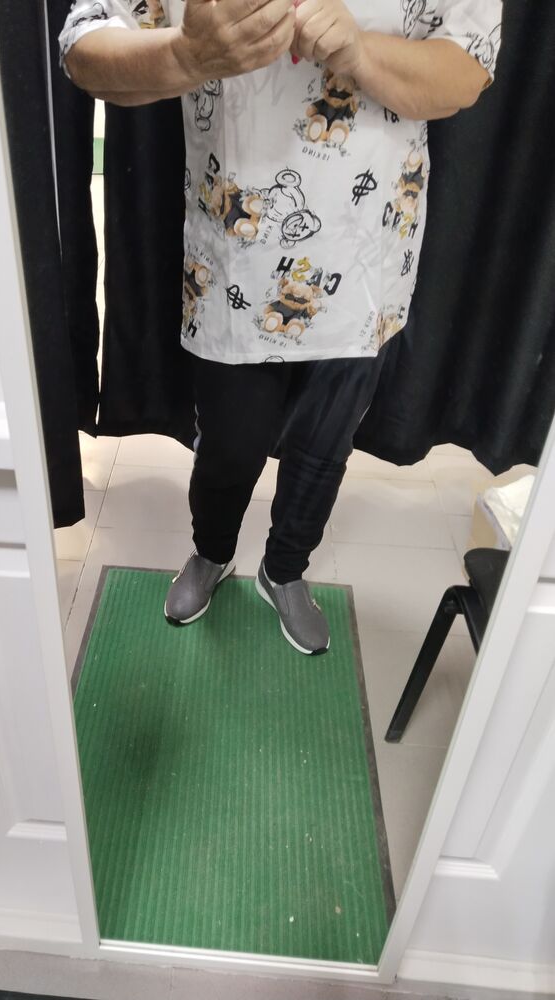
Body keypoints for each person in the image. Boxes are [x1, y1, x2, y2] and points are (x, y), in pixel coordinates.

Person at [59, 0, 502, 654]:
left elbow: (468, 68)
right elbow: (82, 46)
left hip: (366, 263)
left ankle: (284, 569)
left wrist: (358, 49)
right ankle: (212, 552)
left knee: (325, 445)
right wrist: (187, 54)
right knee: (228, 446)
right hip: (235, 260)